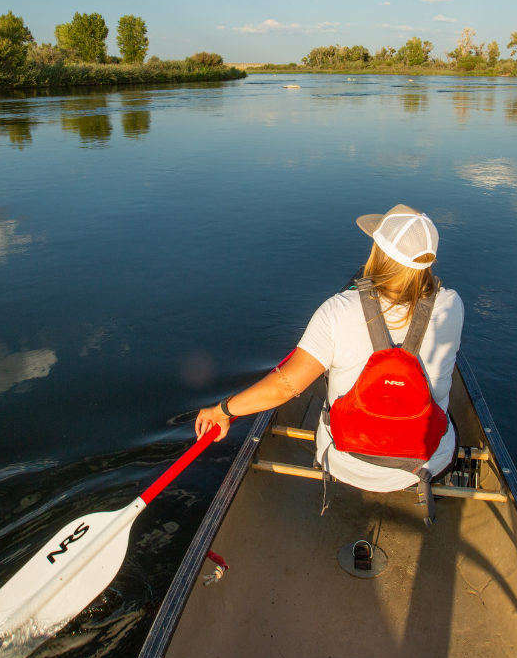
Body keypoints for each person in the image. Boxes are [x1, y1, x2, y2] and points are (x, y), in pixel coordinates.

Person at [194, 204, 464, 492]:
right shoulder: (451, 306)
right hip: (423, 465)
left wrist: (223, 410)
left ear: (379, 250)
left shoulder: (338, 310)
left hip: (344, 460)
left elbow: (285, 387)